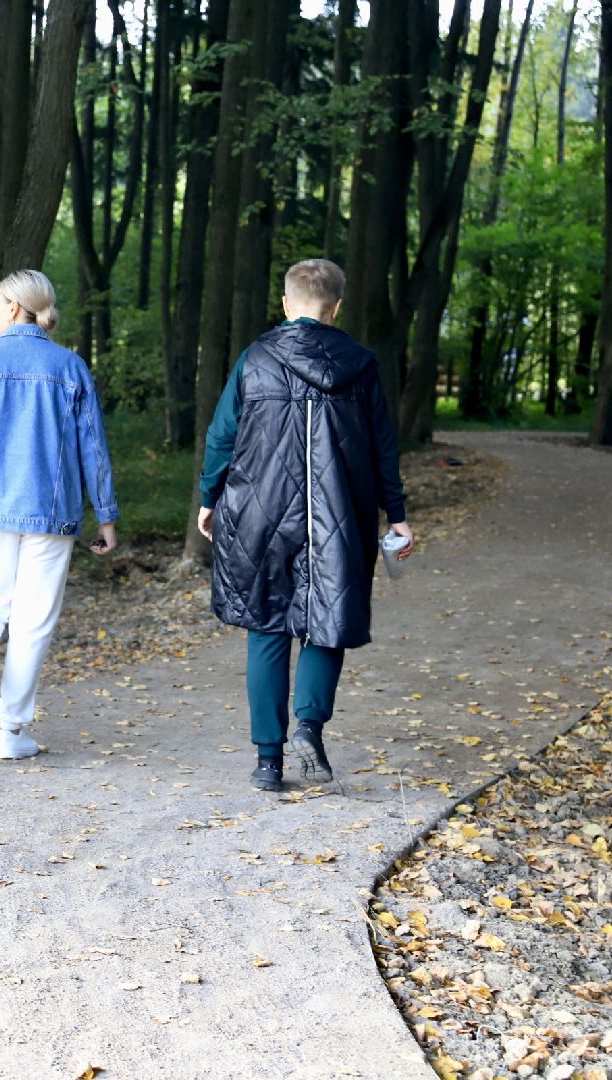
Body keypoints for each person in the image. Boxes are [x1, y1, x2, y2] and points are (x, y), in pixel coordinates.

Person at [197, 258, 414, 792]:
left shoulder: (255, 358)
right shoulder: (361, 364)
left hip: (258, 512)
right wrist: (400, 516)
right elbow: (384, 448)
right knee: (327, 621)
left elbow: (223, 435)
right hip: (339, 517)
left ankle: (268, 762)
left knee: (267, 626)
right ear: (336, 308)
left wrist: (208, 497)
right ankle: (310, 729)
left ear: (286, 303)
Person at [0, 269, 119, 760]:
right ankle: (11, 733)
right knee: (33, 621)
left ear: (14, 308)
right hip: (51, 512)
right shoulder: (71, 368)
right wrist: (106, 515)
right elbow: (92, 449)